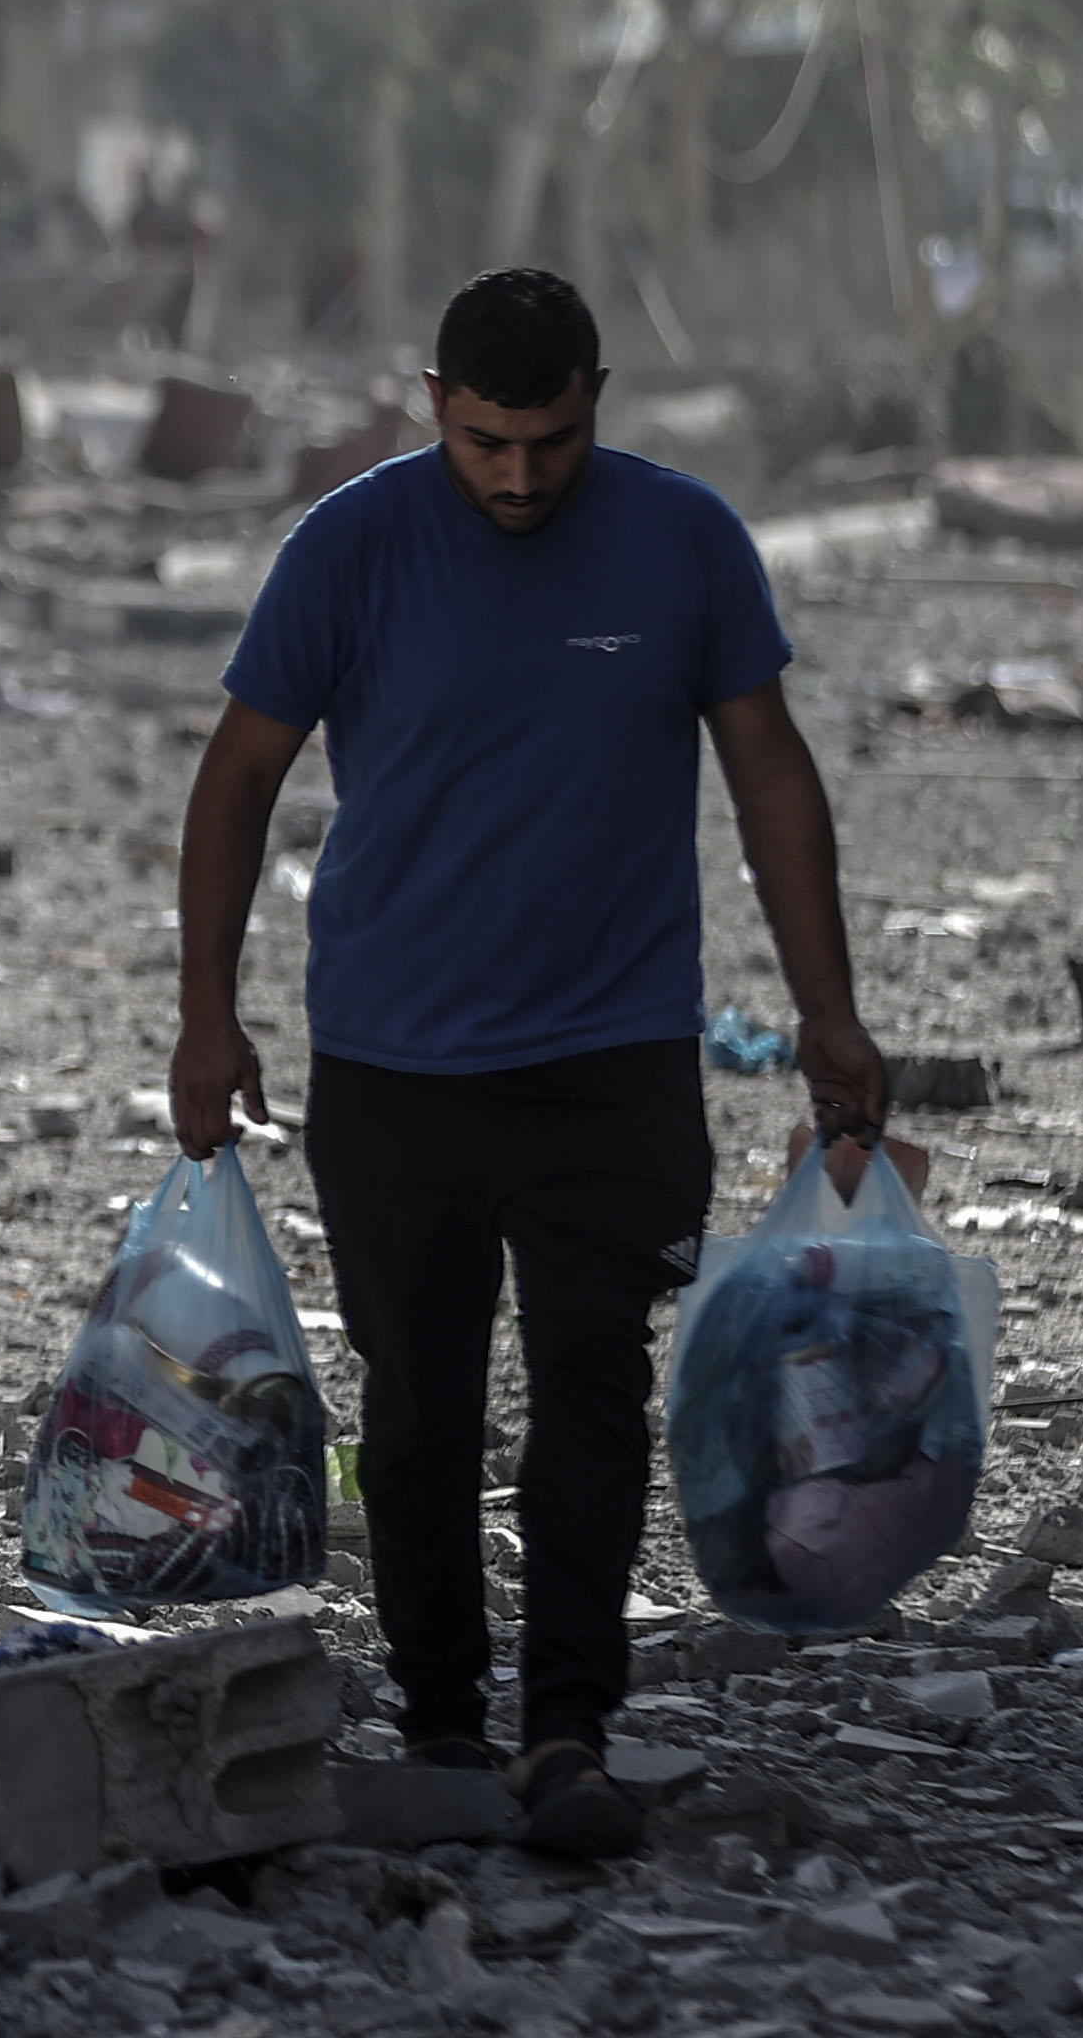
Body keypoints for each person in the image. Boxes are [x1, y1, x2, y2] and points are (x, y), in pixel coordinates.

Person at [169, 267, 885, 1863]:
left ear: (596, 404)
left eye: (548, 441)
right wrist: (209, 1014)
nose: (515, 476)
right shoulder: (348, 547)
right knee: (416, 1407)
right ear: (436, 404)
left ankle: (569, 1723)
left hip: (613, 1060)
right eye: (486, 440)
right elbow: (236, 782)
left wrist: (827, 1011)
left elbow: (769, 769)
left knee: (593, 1390)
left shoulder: (685, 540)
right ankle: (436, 1718)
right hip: (390, 1061)